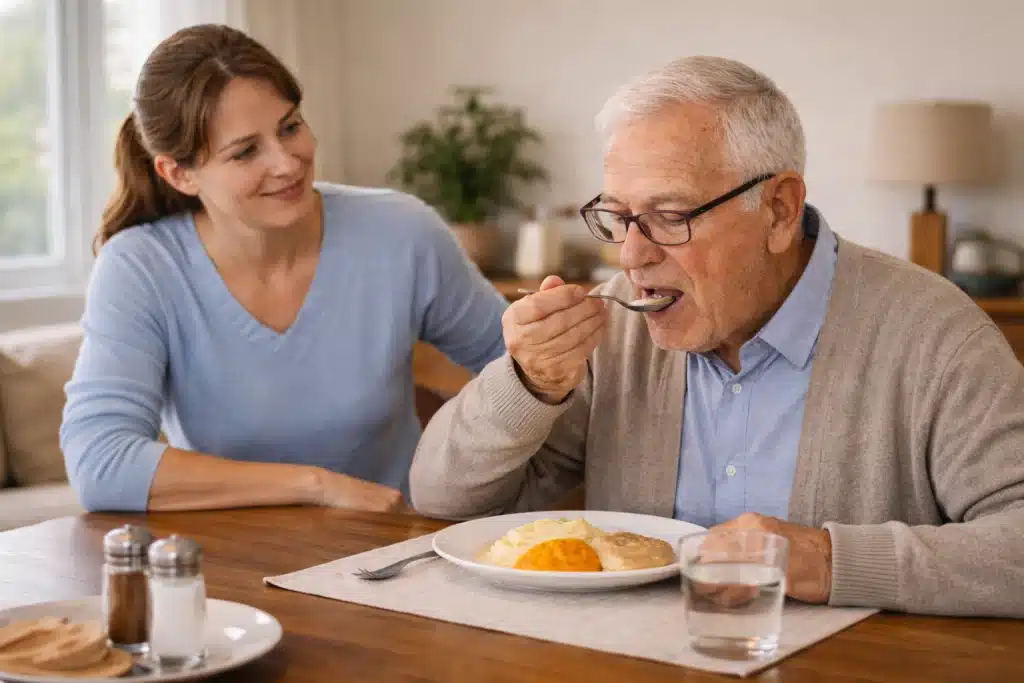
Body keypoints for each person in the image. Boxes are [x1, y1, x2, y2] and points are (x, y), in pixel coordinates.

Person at [409, 56, 1024, 617]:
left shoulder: (933, 334)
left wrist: (830, 562)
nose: (630, 256)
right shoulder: (617, 331)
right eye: (620, 217)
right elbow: (442, 498)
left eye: (670, 217)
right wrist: (529, 384)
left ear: (779, 210)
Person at [60, 24, 507, 514]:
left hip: (390, 555)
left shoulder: (400, 233)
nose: (287, 163)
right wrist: (316, 485)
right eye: (246, 151)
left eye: (290, 127)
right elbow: (100, 462)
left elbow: (515, 362)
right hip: (227, 566)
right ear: (179, 173)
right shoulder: (142, 268)